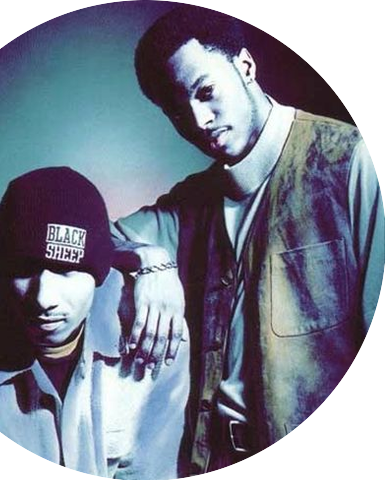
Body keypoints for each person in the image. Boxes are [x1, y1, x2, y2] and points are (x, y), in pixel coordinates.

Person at [111, 2, 385, 480]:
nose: (198, 121)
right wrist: (150, 261)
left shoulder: (356, 163)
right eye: (177, 111)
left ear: (246, 66)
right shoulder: (193, 204)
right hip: (213, 466)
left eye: (206, 92)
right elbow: (97, 241)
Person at [0, 167, 190, 480]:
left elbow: (151, 471)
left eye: (65, 271)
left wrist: (152, 258)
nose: (43, 298)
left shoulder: (154, 330)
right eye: (24, 269)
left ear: (100, 273)